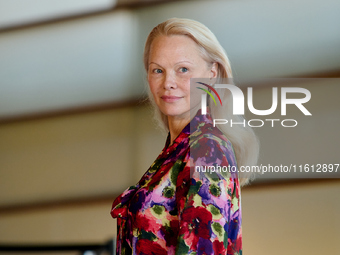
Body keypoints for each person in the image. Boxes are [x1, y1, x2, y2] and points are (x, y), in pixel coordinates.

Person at [111, 18, 259, 255]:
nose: (168, 83)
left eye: (183, 69)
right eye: (157, 70)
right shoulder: (177, 150)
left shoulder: (206, 150)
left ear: (211, 75)